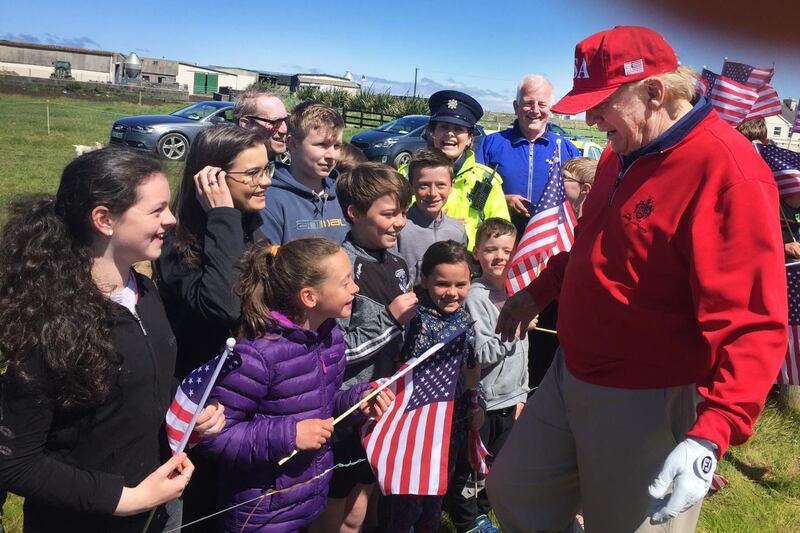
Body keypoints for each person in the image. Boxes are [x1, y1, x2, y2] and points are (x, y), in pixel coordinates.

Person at [488, 25, 787, 532]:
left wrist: (713, 430)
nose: (588, 117)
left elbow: (754, 320)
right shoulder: (618, 153)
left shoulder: (727, 170)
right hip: (571, 369)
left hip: (648, 395)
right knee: (515, 486)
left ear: (654, 92)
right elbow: (592, 249)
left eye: (603, 101)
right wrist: (536, 293)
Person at [0, 148, 224, 532]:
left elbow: (142, 380)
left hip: (157, 508)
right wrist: (125, 499)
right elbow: (15, 461)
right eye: (156, 210)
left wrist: (187, 411)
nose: (170, 220)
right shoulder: (50, 320)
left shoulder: (146, 294)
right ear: (104, 219)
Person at [198, 237, 394, 532]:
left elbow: (322, 403)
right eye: (345, 283)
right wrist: (289, 435)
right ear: (309, 297)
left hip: (304, 502)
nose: (355, 288)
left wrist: (357, 401)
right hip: (260, 514)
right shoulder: (258, 354)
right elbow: (213, 435)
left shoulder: (330, 338)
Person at [155, 124, 271, 528]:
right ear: (212, 178)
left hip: (245, 404)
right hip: (201, 414)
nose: (265, 182)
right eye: (252, 174)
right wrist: (221, 215)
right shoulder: (176, 245)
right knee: (203, 514)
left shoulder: (249, 226)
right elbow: (223, 307)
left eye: (267, 169)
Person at [311, 162, 417, 533]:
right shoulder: (340, 268)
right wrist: (390, 321)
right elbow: (332, 352)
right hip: (346, 409)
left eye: (403, 211)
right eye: (388, 213)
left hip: (383, 407)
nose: (400, 222)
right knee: (335, 505)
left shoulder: (399, 263)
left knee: (362, 506)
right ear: (354, 213)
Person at [387, 240, 482, 533]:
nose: (452, 293)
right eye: (442, 284)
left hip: (451, 421)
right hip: (416, 423)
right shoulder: (413, 320)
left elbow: (470, 369)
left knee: (437, 490)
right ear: (424, 279)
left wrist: (476, 405)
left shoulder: (464, 319)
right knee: (409, 498)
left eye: (460, 284)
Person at [446, 218, 530, 533]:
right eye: (491, 249)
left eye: (507, 250)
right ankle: (466, 519)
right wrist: (515, 328)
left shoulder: (518, 291)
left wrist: (522, 392)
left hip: (512, 397)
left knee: (497, 464)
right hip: (484, 398)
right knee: (471, 465)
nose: (499, 257)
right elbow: (480, 354)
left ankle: (483, 512)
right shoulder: (476, 297)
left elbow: (524, 353)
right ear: (476, 253)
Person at [402, 90, 510, 250]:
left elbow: (501, 235)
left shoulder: (487, 181)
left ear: (470, 139)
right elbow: (390, 221)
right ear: (432, 133)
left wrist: (459, 232)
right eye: (443, 127)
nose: (450, 133)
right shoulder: (404, 175)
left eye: (459, 129)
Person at [477, 74, 581, 227]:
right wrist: (504, 199)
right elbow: (474, 192)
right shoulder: (491, 144)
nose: (535, 110)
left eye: (542, 104)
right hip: (501, 238)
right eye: (529, 103)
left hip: (549, 239)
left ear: (551, 108)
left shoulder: (567, 149)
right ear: (515, 107)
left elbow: (579, 200)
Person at [260, 100, 350, 244]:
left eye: (337, 146)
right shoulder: (270, 200)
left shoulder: (343, 194)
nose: (332, 155)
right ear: (293, 144)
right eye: (322, 145)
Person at [396, 146, 467, 285]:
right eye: (424, 186)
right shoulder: (398, 229)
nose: (433, 193)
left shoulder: (457, 230)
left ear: (451, 186)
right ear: (411, 186)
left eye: (441, 185)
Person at [233, 85, 289, 160]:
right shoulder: (223, 168)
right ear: (246, 125)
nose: (284, 130)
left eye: (286, 120)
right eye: (275, 122)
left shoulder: (285, 171)